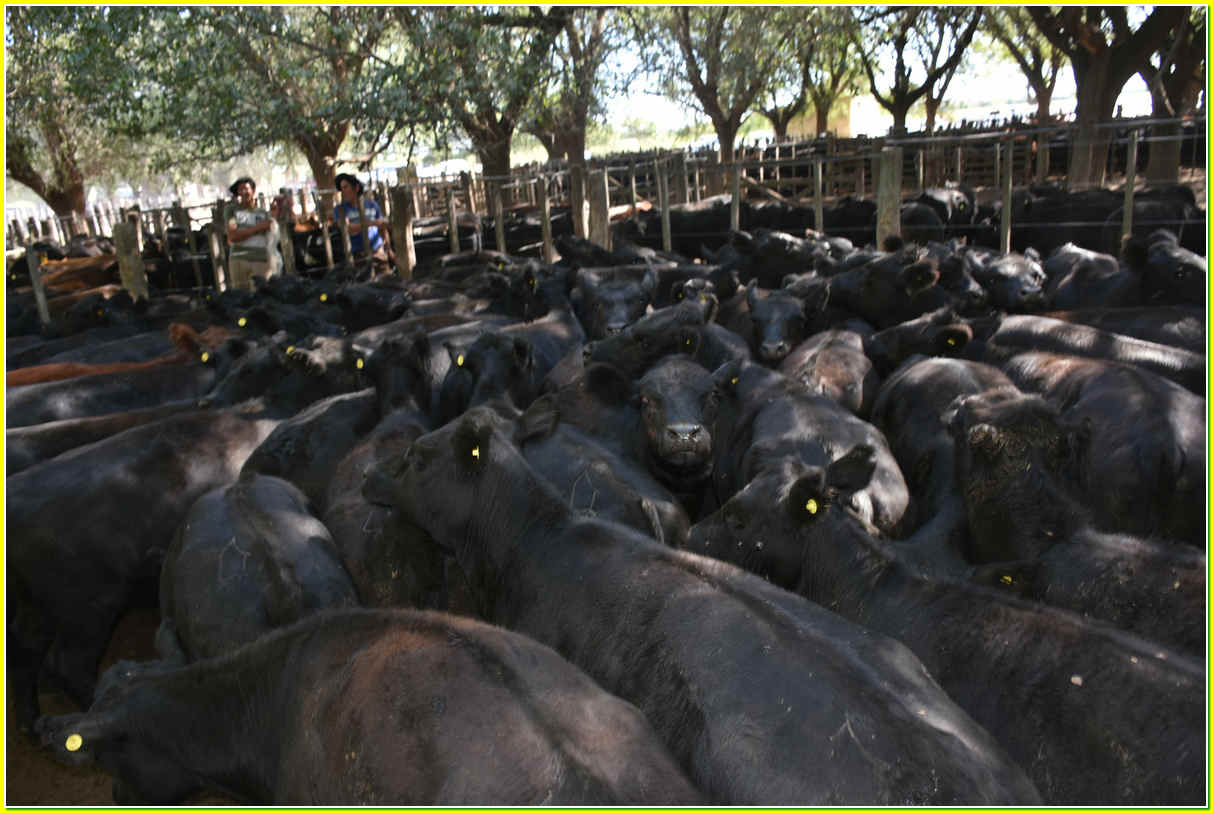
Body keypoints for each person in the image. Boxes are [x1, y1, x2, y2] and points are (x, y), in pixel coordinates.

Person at [223, 176, 279, 291]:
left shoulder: (263, 213)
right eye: (240, 189)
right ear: (237, 192)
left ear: (253, 190)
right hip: (239, 260)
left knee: (262, 296)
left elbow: (271, 233)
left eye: (246, 188)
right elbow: (233, 236)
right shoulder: (232, 211)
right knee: (241, 299)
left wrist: (272, 217)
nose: (244, 192)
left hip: (261, 261)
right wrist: (258, 227)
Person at [333, 172, 392, 270]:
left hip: (378, 253)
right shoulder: (340, 209)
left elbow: (382, 228)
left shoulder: (373, 205)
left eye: (345, 187)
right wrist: (372, 223)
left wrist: (389, 250)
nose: (342, 191)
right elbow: (347, 229)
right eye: (341, 189)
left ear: (356, 188)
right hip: (357, 257)